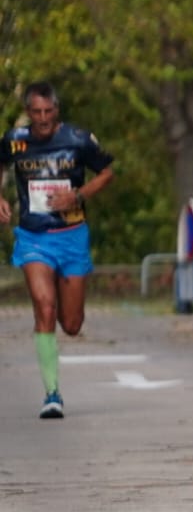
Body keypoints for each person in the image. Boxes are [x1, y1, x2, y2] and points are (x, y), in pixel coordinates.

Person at [0, 82, 115, 419]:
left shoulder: (78, 139)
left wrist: (77, 196)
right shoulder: (15, 140)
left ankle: (63, 323)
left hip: (72, 236)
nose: (43, 119)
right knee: (45, 307)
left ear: (57, 111)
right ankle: (52, 393)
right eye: (36, 113)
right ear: (29, 112)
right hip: (34, 236)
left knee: (72, 323)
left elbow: (107, 172)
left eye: (48, 112)